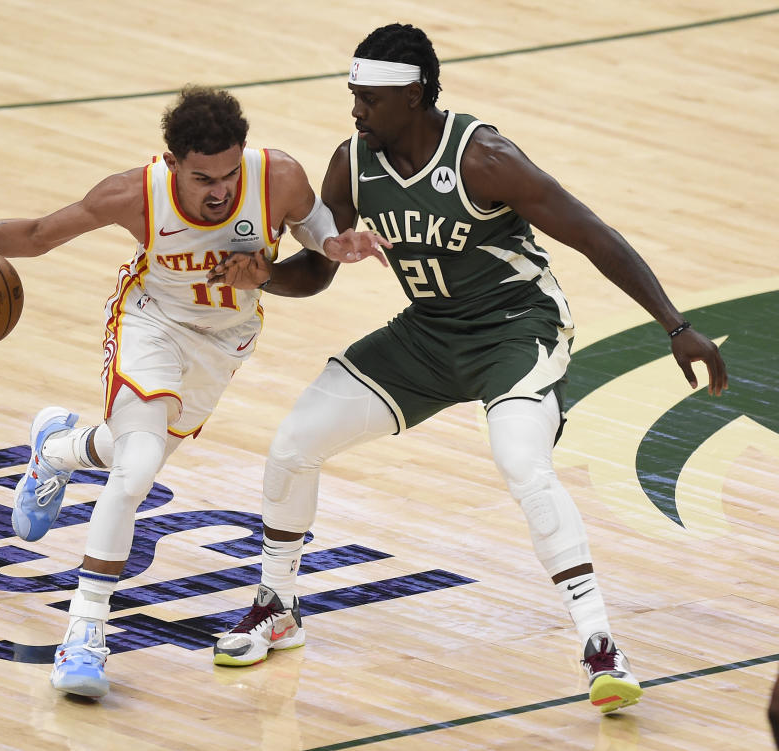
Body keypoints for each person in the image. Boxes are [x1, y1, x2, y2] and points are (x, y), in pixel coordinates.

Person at [206, 24, 728, 715]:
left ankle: (601, 643)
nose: (355, 112)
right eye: (353, 97)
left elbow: (592, 231)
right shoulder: (352, 162)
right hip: (427, 335)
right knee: (293, 443)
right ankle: (277, 605)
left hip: (517, 330)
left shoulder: (483, 158)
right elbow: (320, 272)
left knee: (521, 462)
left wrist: (677, 325)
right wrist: (265, 275)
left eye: (367, 100)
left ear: (414, 96)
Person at [0, 86, 387, 698]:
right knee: (137, 470)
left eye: (226, 173)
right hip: (150, 327)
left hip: (223, 344)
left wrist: (334, 245)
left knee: (129, 451)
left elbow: (314, 229)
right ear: (172, 165)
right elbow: (37, 235)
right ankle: (83, 634)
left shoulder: (278, 176)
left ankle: (57, 448)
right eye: (201, 178)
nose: (218, 190)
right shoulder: (135, 194)